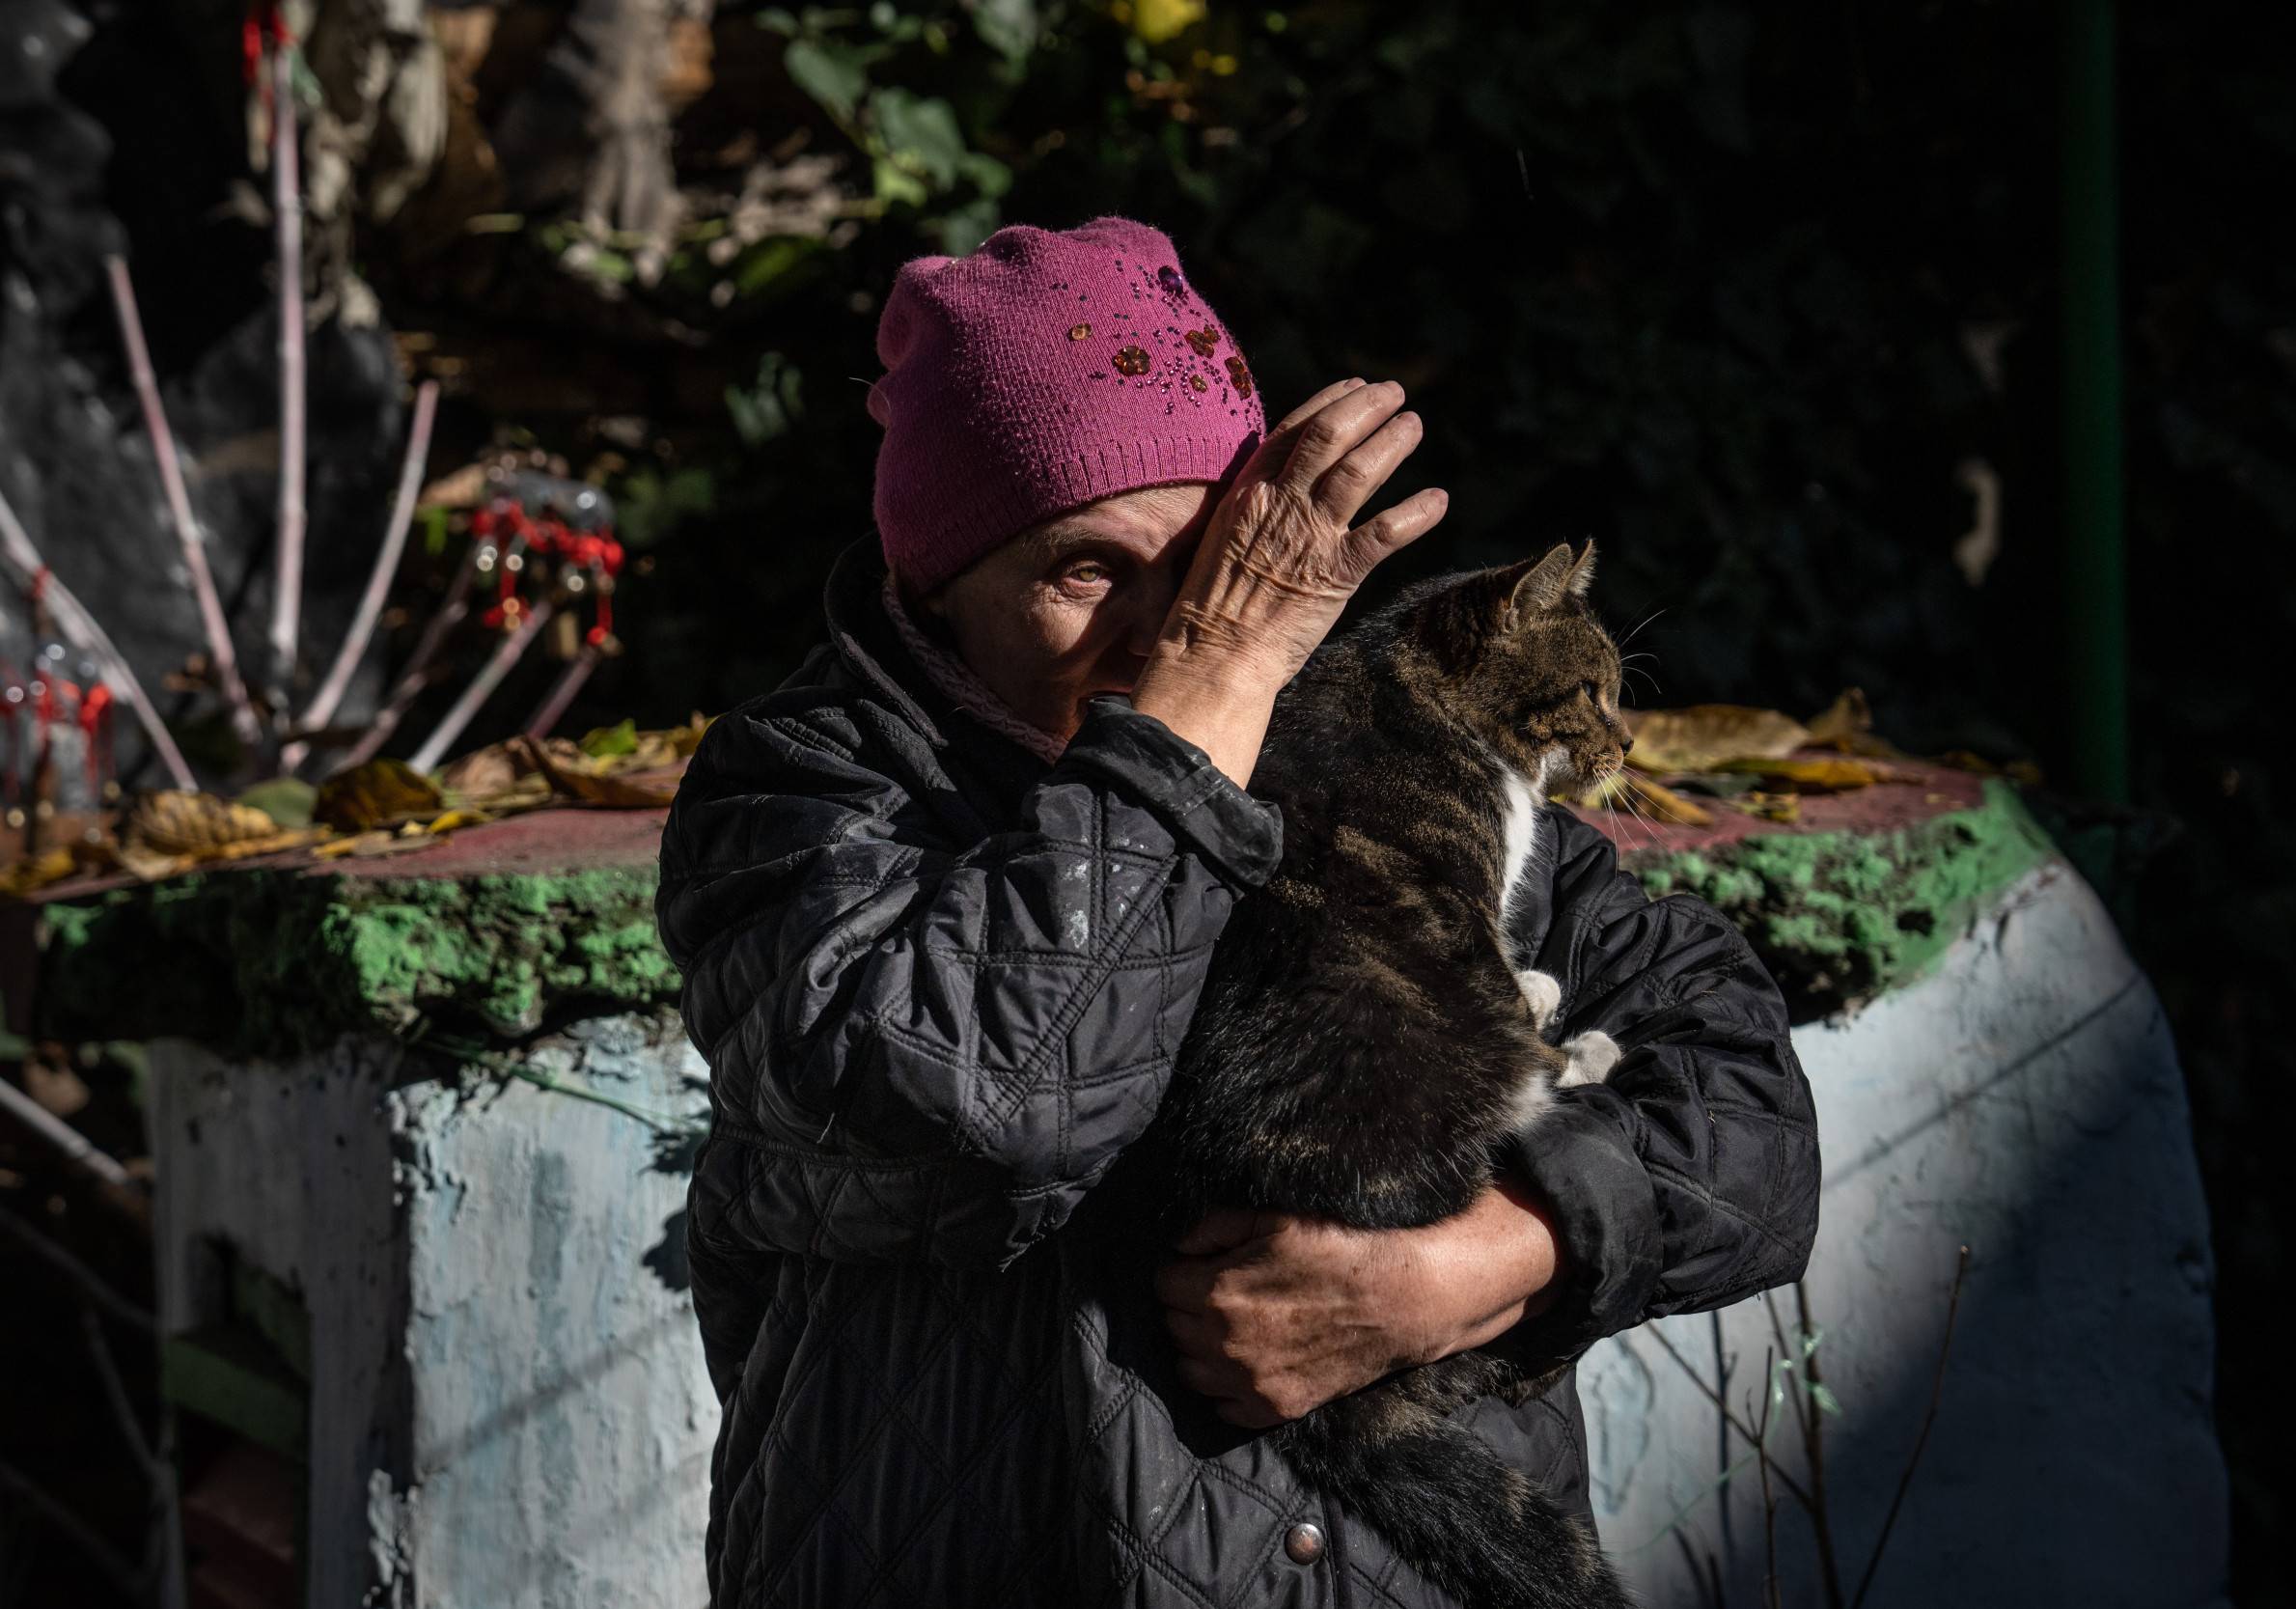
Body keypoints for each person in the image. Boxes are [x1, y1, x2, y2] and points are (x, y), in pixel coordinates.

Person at [657, 218, 1819, 1608]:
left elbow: (1752, 1122)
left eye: (1208, 558)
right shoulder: (798, 797)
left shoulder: (1382, 767)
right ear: (934, 586)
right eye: (1086, 571)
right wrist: (1203, 699)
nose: (1165, 628)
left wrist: (1473, 1263)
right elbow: (989, 1108)